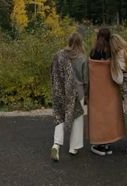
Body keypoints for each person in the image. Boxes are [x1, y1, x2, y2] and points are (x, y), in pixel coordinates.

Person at [51, 32, 88, 161]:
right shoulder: (82, 58)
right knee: (77, 118)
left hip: (61, 91)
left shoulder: (59, 55)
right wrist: (87, 93)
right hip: (77, 92)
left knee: (60, 116)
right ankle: (74, 148)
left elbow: (53, 73)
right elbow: (85, 80)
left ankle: (56, 144)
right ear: (80, 42)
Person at [88, 27, 125, 156]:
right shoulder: (112, 52)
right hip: (110, 89)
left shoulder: (93, 52)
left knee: (98, 115)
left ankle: (99, 143)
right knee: (109, 114)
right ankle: (107, 142)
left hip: (97, 90)